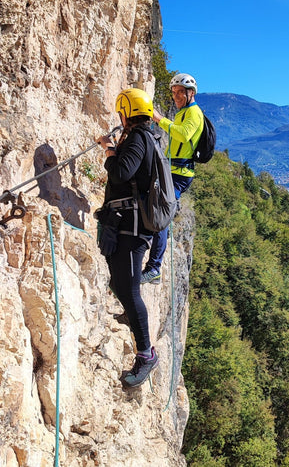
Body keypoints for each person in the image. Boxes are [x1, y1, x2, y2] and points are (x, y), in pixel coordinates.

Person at [96, 87, 159, 388]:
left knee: (130, 291)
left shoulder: (138, 138)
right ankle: (142, 341)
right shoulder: (143, 137)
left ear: (125, 111)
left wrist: (109, 149)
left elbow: (121, 172)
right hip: (126, 222)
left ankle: (146, 355)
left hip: (131, 227)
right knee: (121, 284)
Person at [140, 73, 204, 284]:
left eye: (180, 92)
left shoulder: (193, 114)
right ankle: (147, 247)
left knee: (162, 215)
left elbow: (183, 135)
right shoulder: (183, 112)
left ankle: (154, 268)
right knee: (156, 206)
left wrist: (159, 119)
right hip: (173, 171)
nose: (176, 96)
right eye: (174, 92)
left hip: (180, 174)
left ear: (190, 93)